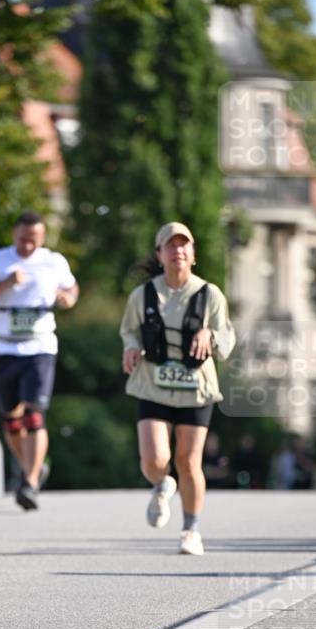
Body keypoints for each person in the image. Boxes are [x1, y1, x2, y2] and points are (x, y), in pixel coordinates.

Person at [120, 221, 235, 555]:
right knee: (155, 459)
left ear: (193, 254)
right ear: (159, 254)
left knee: (188, 461)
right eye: (170, 245)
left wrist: (209, 335)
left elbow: (227, 336)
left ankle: (191, 530)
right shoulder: (142, 295)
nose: (178, 250)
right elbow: (128, 331)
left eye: (184, 244)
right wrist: (131, 347)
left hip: (196, 387)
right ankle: (160, 483)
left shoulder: (210, 294)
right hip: (153, 384)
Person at [0, 211, 79, 510]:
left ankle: (29, 482)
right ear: (14, 234)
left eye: (34, 240)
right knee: (12, 419)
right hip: (4, 348)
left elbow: (71, 287)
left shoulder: (53, 261)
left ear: (43, 237)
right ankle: (32, 466)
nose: (28, 246)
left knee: (33, 415)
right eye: (23, 239)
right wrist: (5, 284)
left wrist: (68, 297)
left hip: (40, 346)